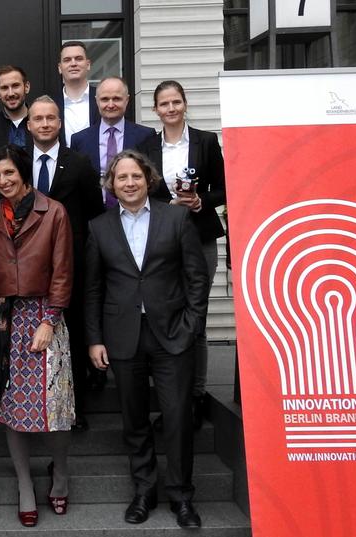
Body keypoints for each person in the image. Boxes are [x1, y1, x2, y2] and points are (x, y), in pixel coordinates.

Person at [84, 150, 209, 529]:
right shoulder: (98, 227)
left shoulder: (177, 218)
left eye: (135, 176)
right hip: (123, 339)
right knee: (135, 420)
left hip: (173, 335)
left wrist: (190, 327)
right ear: (112, 184)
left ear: (148, 178)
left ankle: (181, 497)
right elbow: (92, 288)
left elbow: (197, 279)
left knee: (176, 419)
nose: (129, 183)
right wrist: (94, 339)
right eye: (121, 178)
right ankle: (144, 492)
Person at [0, 145, 75, 527]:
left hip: (44, 316)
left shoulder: (54, 212)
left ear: (24, 173)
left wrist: (50, 319)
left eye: (9, 174)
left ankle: (61, 472)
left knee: (56, 404)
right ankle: (24, 485)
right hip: (2, 320)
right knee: (10, 405)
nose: (3, 181)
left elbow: (63, 270)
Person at [136, 80, 227, 429]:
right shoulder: (145, 146)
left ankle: (196, 396)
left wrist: (202, 201)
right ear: (156, 109)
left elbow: (224, 185)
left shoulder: (205, 141)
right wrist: (166, 206)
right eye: (164, 104)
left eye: (176, 102)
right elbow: (140, 191)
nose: (171, 108)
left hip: (199, 237)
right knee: (164, 318)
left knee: (196, 320)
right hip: (161, 242)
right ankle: (170, 399)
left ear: (185, 104)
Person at [25, 95, 103, 430]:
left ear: (60, 123)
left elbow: (94, 213)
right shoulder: (17, 161)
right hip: (27, 266)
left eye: (50, 118)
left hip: (70, 265)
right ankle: (31, 404)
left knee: (71, 335)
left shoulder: (80, 163)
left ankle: (76, 409)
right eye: (38, 119)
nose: (44, 124)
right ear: (28, 125)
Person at [70, 76, 155, 207]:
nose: (110, 104)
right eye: (105, 99)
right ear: (96, 101)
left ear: (126, 100)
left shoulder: (146, 136)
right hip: (94, 217)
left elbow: (151, 180)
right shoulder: (80, 139)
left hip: (135, 211)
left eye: (116, 99)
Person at [53, 41, 100, 146]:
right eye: (67, 60)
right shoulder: (51, 104)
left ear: (88, 65)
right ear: (60, 68)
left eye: (78, 59)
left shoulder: (103, 99)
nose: (73, 63)